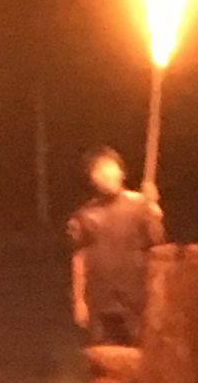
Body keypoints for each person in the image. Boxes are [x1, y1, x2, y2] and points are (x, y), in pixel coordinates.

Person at [67, 148, 165, 345]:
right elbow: (79, 258)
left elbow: (158, 244)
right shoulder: (84, 215)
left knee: (139, 353)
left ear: (122, 172)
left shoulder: (141, 205)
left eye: (110, 167)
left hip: (137, 300)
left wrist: (155, 211)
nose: (105, 174)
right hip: (100, 301)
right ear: (92, 179)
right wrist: (79, 300)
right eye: (98, 170)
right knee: (103, 356)